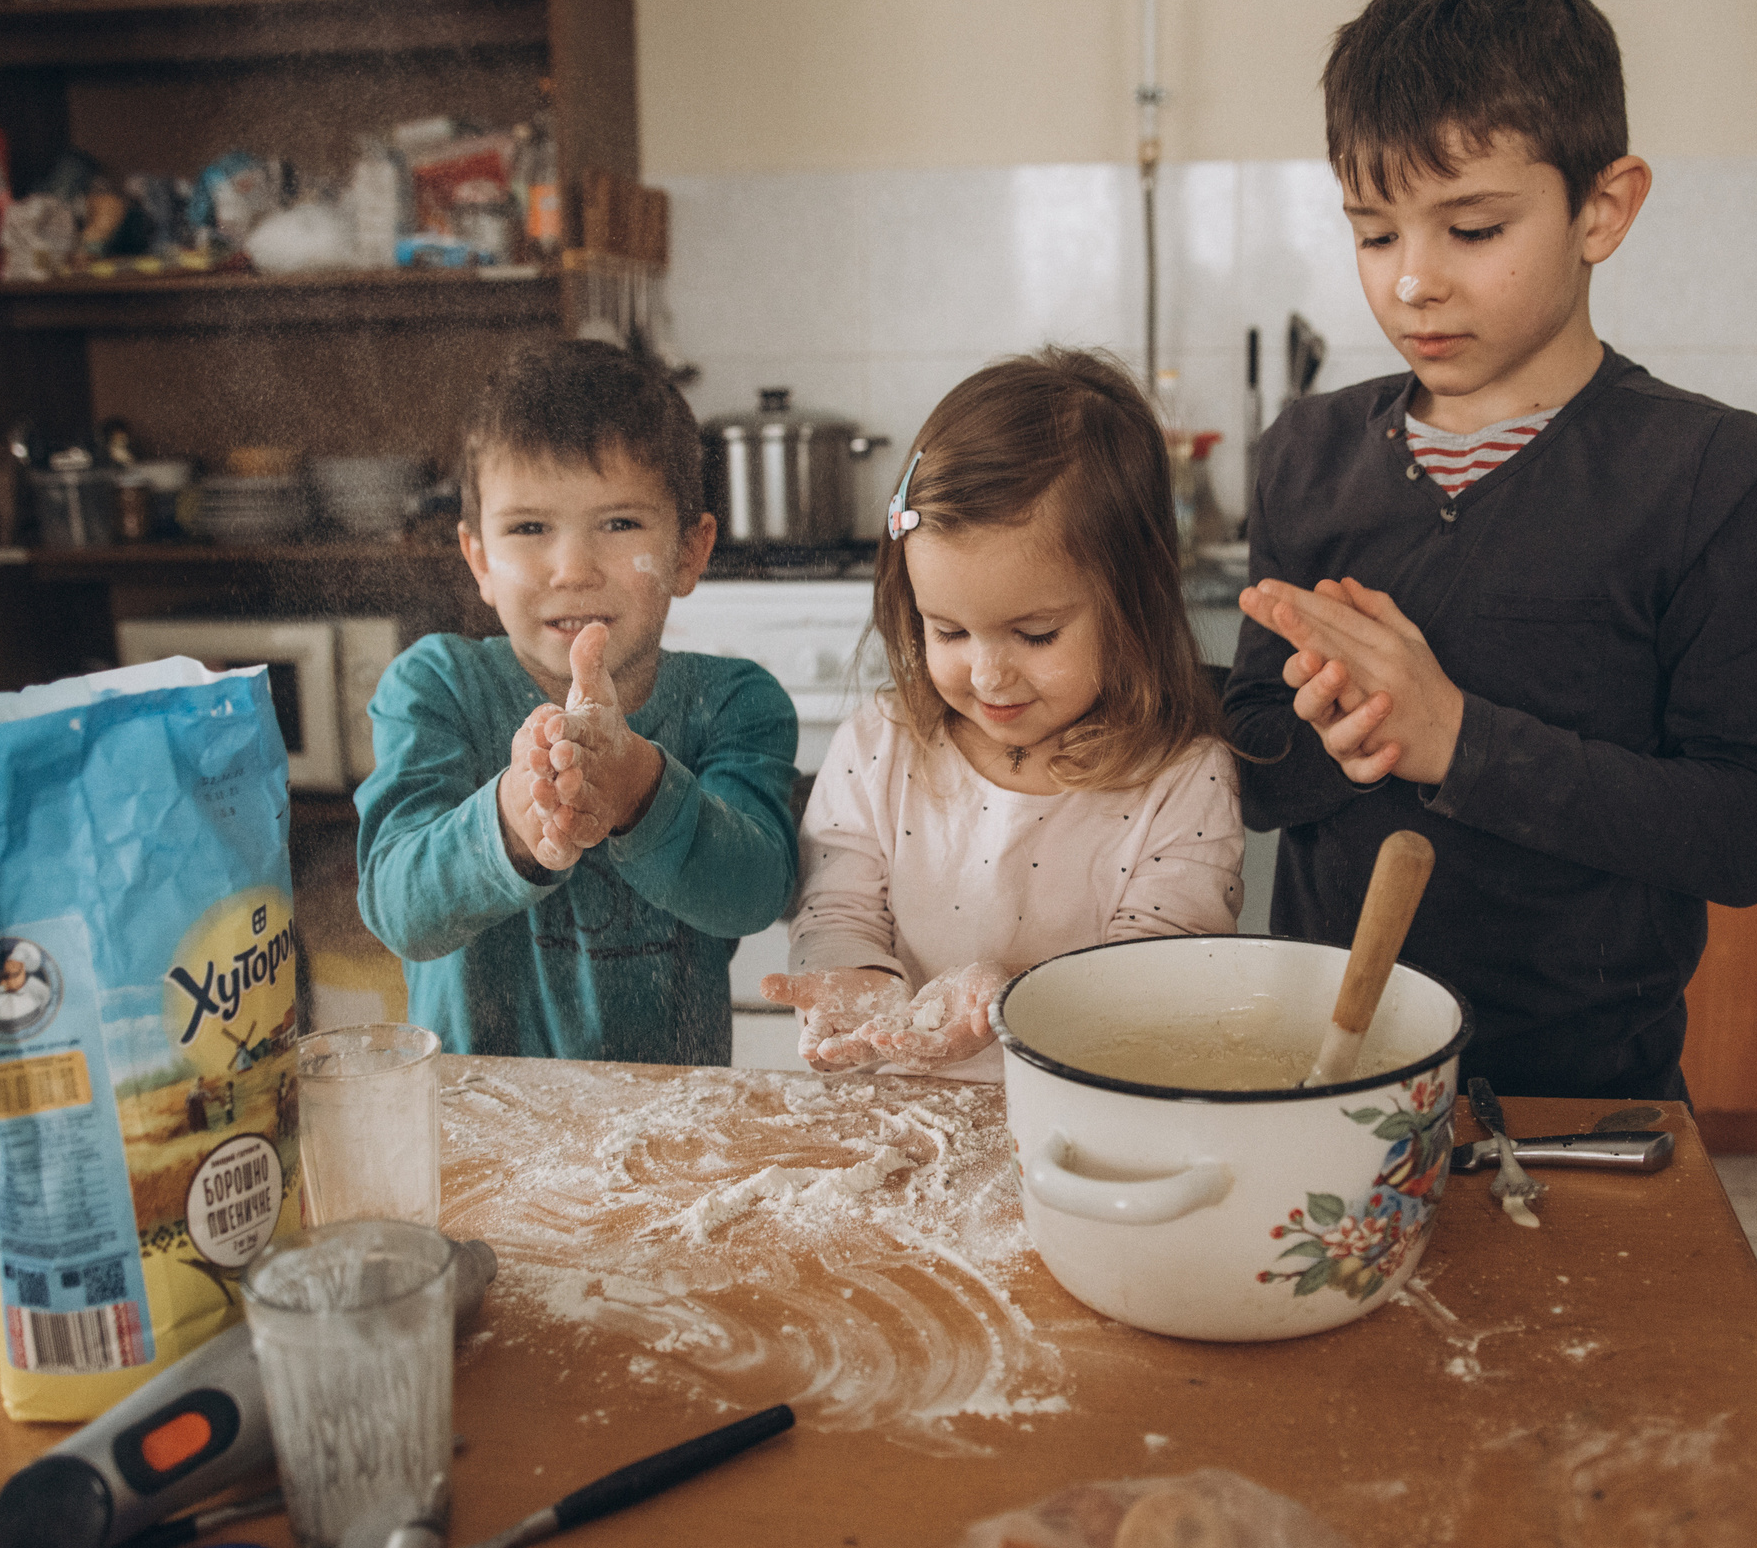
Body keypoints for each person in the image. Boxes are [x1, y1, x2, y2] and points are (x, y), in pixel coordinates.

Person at [1225, 0, 1757, 1102]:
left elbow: (1750, 829)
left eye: (1473, 227)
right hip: (1328, 1079)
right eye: (1374, 234)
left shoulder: (1707, 474)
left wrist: (1457, 738)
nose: (1412, 283)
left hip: (1585, 1093)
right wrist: (1327, 737)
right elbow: (1255, 768)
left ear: (1603, 208)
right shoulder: (1306, 453)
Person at [764, 349, 1244, 1081]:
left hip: (1089, 1121)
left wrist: (1015, 996)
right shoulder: (880, 745)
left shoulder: (1183, 779)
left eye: (1036, 634)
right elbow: (838, 913)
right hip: (904, 1118)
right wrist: (855, 984)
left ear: (1135, 603)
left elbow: (1156, 982)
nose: (987, 674)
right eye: (949, 631)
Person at [356, 340, 800, 1063]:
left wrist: (641, 790)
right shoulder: (436, 688)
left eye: (619, 523)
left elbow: (755, 892)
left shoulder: (733, 704)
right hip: (478, 1113)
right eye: (529, 528)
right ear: (479, 560)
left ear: (690, 551)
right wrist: (512, 821)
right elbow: (400, 911)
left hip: (671, 1116)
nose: (572, 569)